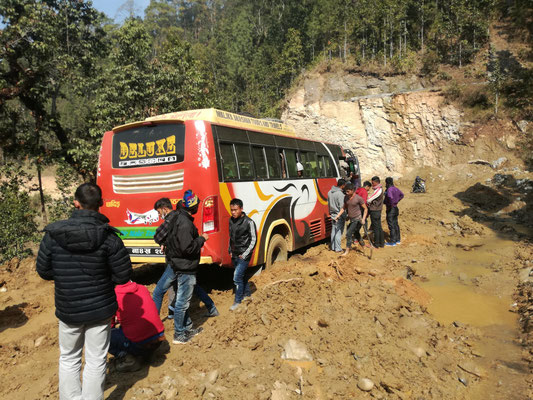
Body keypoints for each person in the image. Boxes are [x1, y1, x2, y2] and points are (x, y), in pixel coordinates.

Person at [36, 183, 132, 400]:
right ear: (101, 204)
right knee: (96, 359)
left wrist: (64, 276)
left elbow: (43, 270)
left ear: (75, 203)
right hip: (100, 310)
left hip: (68, 308)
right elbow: (123, 275)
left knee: (69, 358)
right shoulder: (110, 238)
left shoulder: (54, 234)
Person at [152, 191, 208, 344]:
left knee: (176, 299)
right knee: (182, 303)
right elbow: (187, 248)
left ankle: (187, 327)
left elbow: (169, 239)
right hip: (184, 266)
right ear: (194, 207)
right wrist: (201, 239)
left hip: (175, 264)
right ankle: (179, 334)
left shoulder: (177, 218)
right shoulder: (184, 222)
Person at [110, 281, 165, 372]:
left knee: (105, 335)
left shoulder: (114, 295)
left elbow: (109, 322)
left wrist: (113, 324)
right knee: (127, 328)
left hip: (140, 344)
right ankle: (147, 354)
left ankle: (130, 360)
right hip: (158, 340)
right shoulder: (142, 288)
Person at [228, 198, 257, 311]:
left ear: (241, 209)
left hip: (244, 255)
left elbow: (254, 240)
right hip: (234, 254)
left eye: (235, 210)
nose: (233, 212)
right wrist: (230, 249)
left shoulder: (249, 222)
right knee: (242, 276)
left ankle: (238, 301)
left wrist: (245, 254)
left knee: (237, 277)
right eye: (232, 210)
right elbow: (231, 237)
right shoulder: (231, 220)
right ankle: (247, 295)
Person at [334, 182, 368, 256]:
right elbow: (344, 207)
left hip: (358, 219)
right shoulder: (346, 197)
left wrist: (363, 219)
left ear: (352, 190)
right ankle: (363, 246)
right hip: (351, 219)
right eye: (345, 191)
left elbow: (365, 209)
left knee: (348, 234)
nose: (346, 193)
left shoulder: (358, 198)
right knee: (356, 233)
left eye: (348, 191)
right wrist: (338, 215)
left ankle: (347, 250)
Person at [328, 178, 347, 253]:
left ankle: (333, 247)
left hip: (332, 214)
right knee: (338, 232)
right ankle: (338, 248)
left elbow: (328, 204)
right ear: (343, 185)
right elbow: (342, 207)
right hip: (339, 215)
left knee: (333, 231)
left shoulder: (329, 192)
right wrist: (344, 215)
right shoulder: (340, 194)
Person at [384, 177, 404, 246]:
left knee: (391, 225)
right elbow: (402, 195)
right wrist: (397, 201)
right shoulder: (396, 188)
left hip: (391, 209)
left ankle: (393, 241)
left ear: (387, 183)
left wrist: (390, 204)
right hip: (396, 208)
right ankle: (398, 240)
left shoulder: (389, 190)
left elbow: (390, 197)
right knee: (396, 224)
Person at [367, 176, 385, 248]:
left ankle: (376, 244)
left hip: (375, 210)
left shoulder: (378, 190)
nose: (372, 184)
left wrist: (367, 199)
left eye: (372, 182)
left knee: (376, 227)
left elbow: (369, 200)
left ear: (376, 182)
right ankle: (381, 243)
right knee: (379, 227)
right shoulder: (379, 189)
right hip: (377, 210)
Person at [355, 181, 372, 247]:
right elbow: (364, 202)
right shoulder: (364, 192)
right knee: (362, 222)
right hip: (361, 209)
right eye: (369, 188)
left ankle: (356, 238)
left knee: (357, 223)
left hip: (355, 209)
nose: (369, 189)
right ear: (367, 186)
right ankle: (363, 235)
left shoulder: (358, 189)